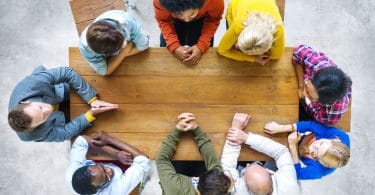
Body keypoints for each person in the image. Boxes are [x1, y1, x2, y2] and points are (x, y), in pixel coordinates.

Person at [8, 65, 118, 142]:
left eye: (40, 107)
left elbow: (66, 72)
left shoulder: (31, 84)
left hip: (55, 91)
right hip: (59, 119)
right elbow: (63, 133)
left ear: (26, 102)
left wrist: (92, 99)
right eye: (43, 118)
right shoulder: (31, 135)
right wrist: (90, 114)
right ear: (34, 128)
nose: (48, 109)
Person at [156, 113, 235, 194]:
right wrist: (197, 130)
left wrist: (178, 129)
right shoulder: (219, 191)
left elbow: (162, 160)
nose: (234, 180)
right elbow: (214, 165)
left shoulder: (174, 187)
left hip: (179, 177)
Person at [221, 113, 300, 194]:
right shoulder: (289, 186)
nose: (247, 164)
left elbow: (227, 169)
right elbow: (282, 153)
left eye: (244, 174)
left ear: (247, 189)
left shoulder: (239, 191)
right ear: (271, 173)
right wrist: (246, 138)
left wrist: (235, 130)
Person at [66, 132, 150, 194]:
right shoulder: (116, 191)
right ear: (100, 189)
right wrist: (110, 140)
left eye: (101, 167)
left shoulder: (73, 175)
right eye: (106, 177)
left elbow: (81, 141)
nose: (109, 170)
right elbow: (143, 159)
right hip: (122, 173)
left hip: (109, 160)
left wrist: (116, 154)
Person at [264, 120, 350, 180]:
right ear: (334, 140)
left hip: (295, 152)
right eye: (321, 143)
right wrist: (281, 128)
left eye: (315, 153)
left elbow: (296, 173)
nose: (314, 145)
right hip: (300, 137)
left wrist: (293, 146)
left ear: (320, 161)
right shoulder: (340, 136)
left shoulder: (318, 172)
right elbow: (311, 125)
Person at [293, 45, 352, 124]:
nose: (304, 93)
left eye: (311, 97)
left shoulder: (332, 115)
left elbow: (316, 116)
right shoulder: (317, 64)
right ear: (313, 75)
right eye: (307, 88)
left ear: (323, 103)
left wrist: (305, 102)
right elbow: (297, 52)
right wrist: (301, 86)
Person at [79, 10, 149, 76]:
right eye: (119, 47)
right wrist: (128, 48)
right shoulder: (85, 48)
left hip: (118, 15)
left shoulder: (126, 21)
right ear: (104, 54)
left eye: (123, 38)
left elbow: (144, 45)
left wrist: (117, 56)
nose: (125, 44)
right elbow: (105, 72)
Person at [154, 0, 224, 65]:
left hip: (201, 19)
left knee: (203, 58)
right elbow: (164, 20)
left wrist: (202, 45)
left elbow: (213, 19)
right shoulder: (159, 1)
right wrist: (173, 45)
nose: (187, 20)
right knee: (167, 58)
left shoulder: (215, 1)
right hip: (172, 19)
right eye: (180, 14)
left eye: (192, 13)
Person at [218, 0, 284, 65]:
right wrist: (253, 58)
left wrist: (251, 57)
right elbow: (222, 50)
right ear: (241, 32)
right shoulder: (238, 24)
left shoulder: (278, 30)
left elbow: (276, 56)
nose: (236, 46)